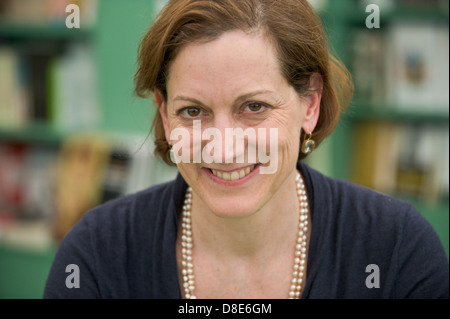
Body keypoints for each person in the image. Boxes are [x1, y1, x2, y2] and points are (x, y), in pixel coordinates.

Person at [43, 0, 449, 299]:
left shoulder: (396, 250)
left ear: (310, 103)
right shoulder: (95, 256)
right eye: (193, 110)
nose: (224, 146)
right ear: (165, 116)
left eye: (254, 107)